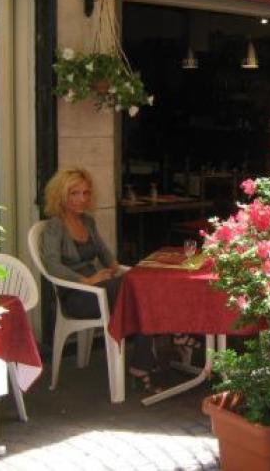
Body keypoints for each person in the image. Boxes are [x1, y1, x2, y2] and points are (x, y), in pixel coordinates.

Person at [40, 167, 160, 392]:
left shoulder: (87, 221)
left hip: (100, 288)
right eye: (74, 193)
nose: (82, 199)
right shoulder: (54, 226)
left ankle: (141, 365)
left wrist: (119, 270)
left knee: (141, 290)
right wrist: (87, 281)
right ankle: (154, 354)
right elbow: (52, 265)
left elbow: (105, 254)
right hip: (76, 295)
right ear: (61, 195)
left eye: (86, 193)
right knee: (138, 294)